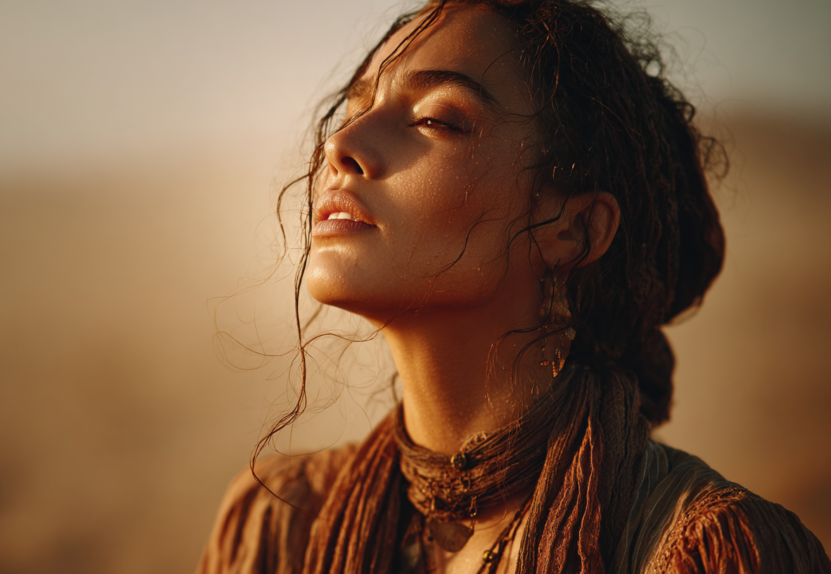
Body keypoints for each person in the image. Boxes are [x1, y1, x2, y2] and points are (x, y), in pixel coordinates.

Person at [197, 1, 830, 572]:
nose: (341, 144)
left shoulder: (706, 550)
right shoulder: (280, 526)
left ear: (574, 230)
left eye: (436, 119)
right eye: (354, 110)